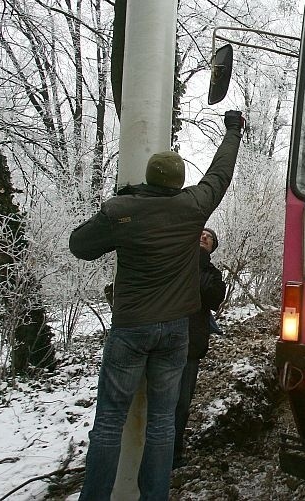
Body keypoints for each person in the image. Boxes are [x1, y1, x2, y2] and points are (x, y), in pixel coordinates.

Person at [69, 110, 245, 501]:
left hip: (131, 328)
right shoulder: (193, 207)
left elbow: (79, 246)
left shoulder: (121, 211)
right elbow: (221, 173)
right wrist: (233, 129)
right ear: (180, 182)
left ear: (148, 178)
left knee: (110, 423)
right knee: (164, 423)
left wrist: (119, 212)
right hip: (174, 332)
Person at [173, 227, 227, 468]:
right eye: (201, 234)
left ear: (212, 247)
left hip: (190, 345)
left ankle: (173, 454)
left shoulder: (214, 275)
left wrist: (199, 261)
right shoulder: (175, 261)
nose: (204, 236)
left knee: (181, 404)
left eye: (209, 237)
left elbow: (211, 297)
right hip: (163, 340)